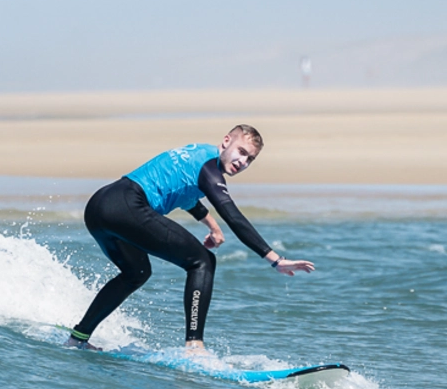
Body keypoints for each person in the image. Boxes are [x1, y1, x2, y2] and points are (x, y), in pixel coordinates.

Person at [66, 124, 314, 352]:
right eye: (241, 151)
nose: (243, 161)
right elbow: (234, 217)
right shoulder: (210, 170)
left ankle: (78, 337)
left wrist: (212, 226)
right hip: (128, 205)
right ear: (226, 141)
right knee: (202, 262)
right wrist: (275, 259)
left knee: (137, 273)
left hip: (100, 206)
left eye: (250, 159)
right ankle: (194, 346)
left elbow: (184, 194)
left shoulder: (198, 154)